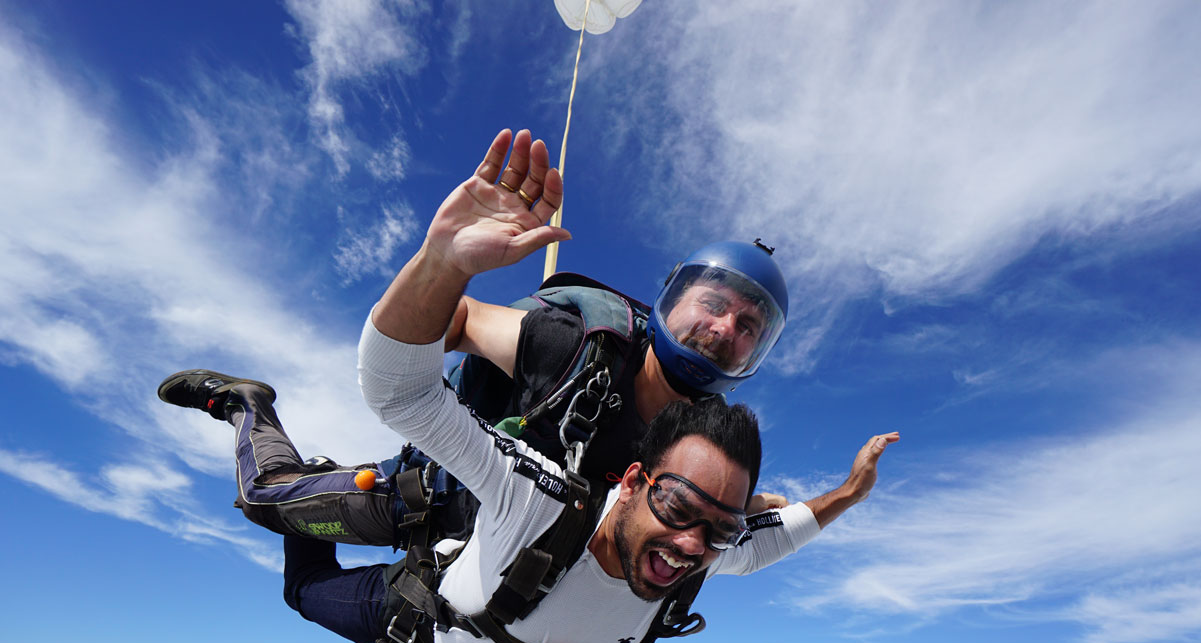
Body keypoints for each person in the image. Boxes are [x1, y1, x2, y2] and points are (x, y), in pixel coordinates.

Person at [157, 129, 791, 548]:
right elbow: (456, 323)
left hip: (474, 551)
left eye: (749, 329)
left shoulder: (709, 444)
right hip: (420, 498)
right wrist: (443, 262)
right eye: (713, 305)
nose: (724, 330)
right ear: (671, 298)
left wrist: (749, 507)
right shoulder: (576, 350)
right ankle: (247, 404)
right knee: (267, 502)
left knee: (320, 600)